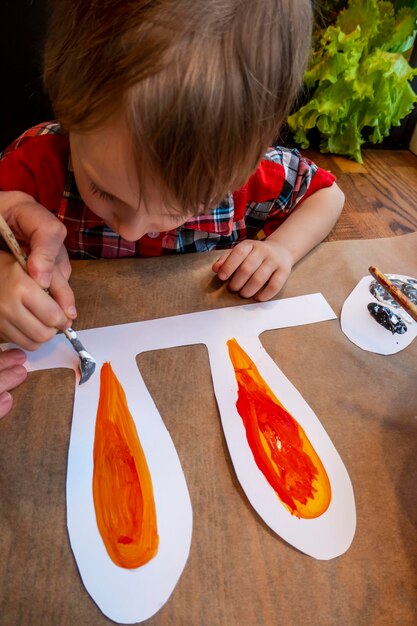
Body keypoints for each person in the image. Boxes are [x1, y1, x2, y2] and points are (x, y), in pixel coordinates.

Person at [0, 0, 345, 417]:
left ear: (245, 164)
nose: (131, 229)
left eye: (183, 208)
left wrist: (282, 249)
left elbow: (327, 195)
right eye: (104, 191)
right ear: (71, 109)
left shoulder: (246, 173)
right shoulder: (37, 163)